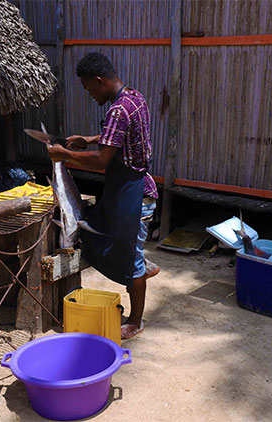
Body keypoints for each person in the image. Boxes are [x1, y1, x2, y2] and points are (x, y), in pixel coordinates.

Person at [47, 52, 160, 340]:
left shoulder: (118, 110)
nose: (90, 95)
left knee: (129, 258)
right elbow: (118, 134)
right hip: (130, 189)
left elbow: (100, 161)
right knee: (97, 233)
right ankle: (140, 267)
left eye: (89, 89)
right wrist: (88, 139)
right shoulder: (135, 98)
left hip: (135, 194)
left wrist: (64, 155)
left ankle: (135, 320)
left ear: (99, 81)